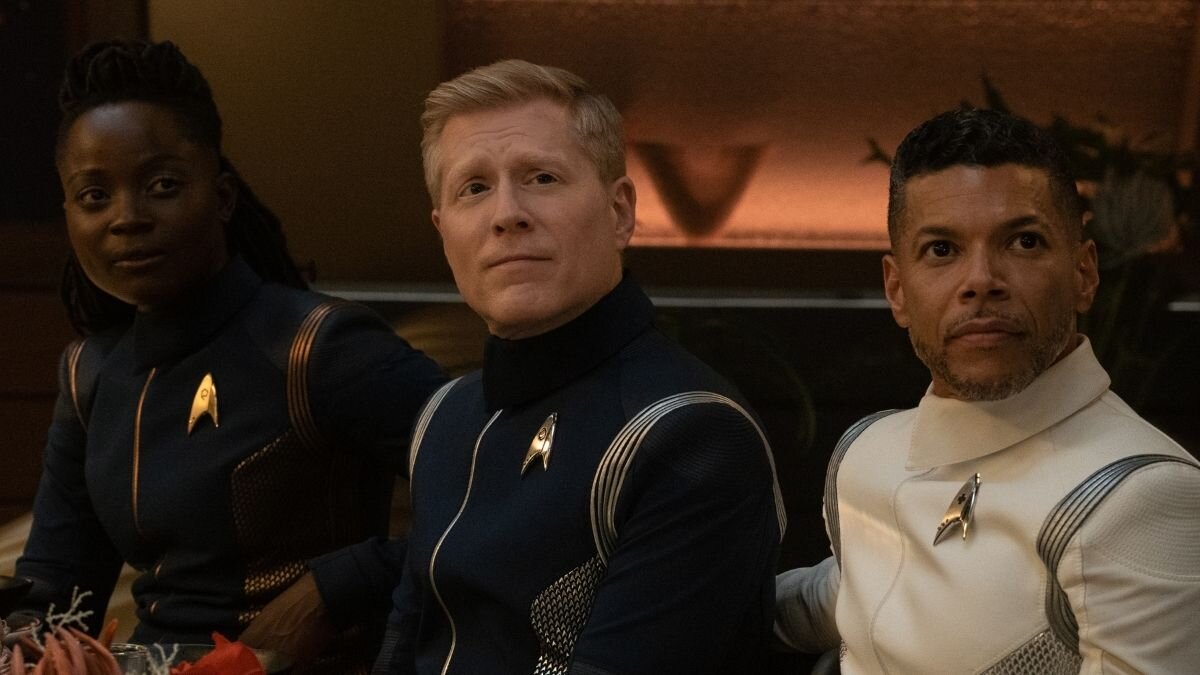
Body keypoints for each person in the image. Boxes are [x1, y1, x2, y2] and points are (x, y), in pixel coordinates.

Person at [10, 39, 446, 671]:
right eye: (94, 196)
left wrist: (335, 586)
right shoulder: (89, 375)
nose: (126, 218)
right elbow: (55, 591)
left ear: (221, 198)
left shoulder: (316, 348)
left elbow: (503, 497)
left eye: (161, 185)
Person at [374, 60, 786, 675]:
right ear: (443, 232)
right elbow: (403, 647)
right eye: (474, 188)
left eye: (541, 178)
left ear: (620, 212)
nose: (506, 213)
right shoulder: (445, 415)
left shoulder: (690, 432)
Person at [774, 107, 1200, 673]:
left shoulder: (1139, 494)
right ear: (896, 289)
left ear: (1084, 274)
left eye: (1023, 242)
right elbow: (855, 595)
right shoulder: (867, 449)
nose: (981, 281)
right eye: (942, 250)